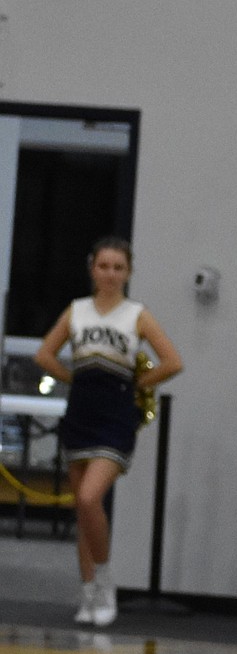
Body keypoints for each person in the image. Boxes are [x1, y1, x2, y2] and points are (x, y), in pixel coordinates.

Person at [34, 237, 183, 628]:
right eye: (104, 266)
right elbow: (43, 354)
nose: (111, 274)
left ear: (128, 272)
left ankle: (104, 581)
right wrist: (72, 378)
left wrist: (137, 384)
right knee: (84, 511)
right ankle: (88, 595)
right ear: (92, 269)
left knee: (88, 497)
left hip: (116, 415)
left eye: (118, 267)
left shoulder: (137, 315)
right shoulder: (77, 311)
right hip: (81, 411)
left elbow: (173, 361)